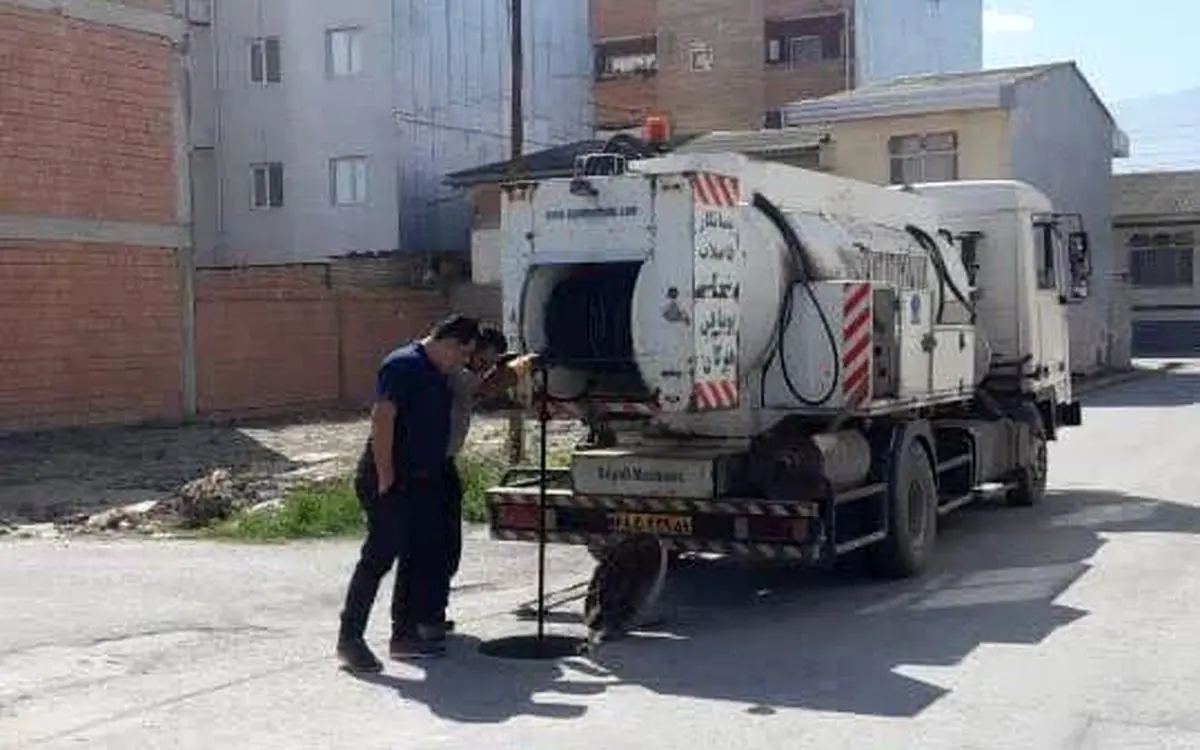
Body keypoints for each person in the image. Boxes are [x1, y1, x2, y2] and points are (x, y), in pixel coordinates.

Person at [336, 314, 480, 672]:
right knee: (378, 558)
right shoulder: (403, 365)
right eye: (463, 354)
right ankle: (350, 640)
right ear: (450, 344)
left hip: (422, 479)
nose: (463, 363)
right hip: (391, 479)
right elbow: (382, 418)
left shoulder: (438, 372)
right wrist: (386, 476)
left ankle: (404, 635)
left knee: (417, 556)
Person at [440, 327, 510, 629]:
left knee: (447, 543)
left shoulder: (464, 372)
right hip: (432, 465)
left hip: (443, 463)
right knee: (438, 544)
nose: (485, 367)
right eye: (484, 359)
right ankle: (426, 615)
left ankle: (433, 611)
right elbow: (477, 388)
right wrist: (512, 374)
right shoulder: (455, 373)